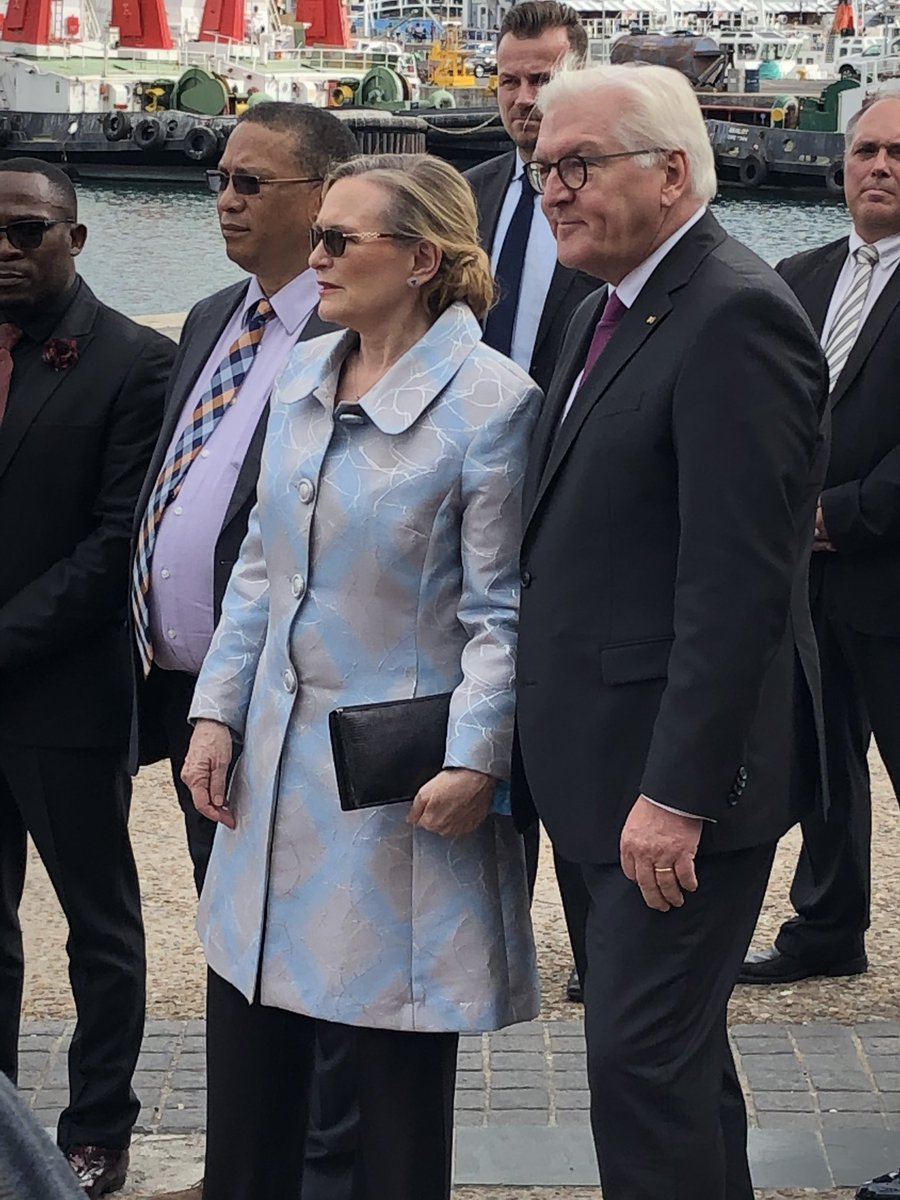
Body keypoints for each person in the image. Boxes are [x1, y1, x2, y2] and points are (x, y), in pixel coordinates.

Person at [179, 152, 540, 1200]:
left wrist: (478, 759)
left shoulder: (494, 404)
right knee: (247, 1058)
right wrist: (216, 714)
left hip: (397, 790)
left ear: (422, 258)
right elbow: (259, 564)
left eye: (340, 240)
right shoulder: (304, 369)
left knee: (390, 1087)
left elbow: (501, 611)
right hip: (271, 775)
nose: (316, 256)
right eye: (318, 235)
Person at [512, 65, 828, 1200]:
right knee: (674, 1070)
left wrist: (678, 794)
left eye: (579, 165)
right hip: (599, 769)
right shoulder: (599, 304)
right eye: (544, 166)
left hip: (671, 790)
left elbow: (737, 586)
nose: (552, 189)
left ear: (673, 173)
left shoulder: (734, 314)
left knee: (640, 1068)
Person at [129, 103, 358, 1200]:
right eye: (221, 178)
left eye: (252, 183)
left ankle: (319, 1161)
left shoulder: (357, 329)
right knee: (232, 944)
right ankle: (253, 1163)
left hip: (292, 699)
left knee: (306, 950)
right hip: (191, 697)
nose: (225, 198)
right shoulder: (219, 313)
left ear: (321, 201)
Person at [0, 158, 174, 1197]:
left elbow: (116, 549)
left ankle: (97, 1127)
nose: (6, 252)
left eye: (28, 231)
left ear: (75, 236)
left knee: (98, 929)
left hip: (65, 696)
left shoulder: (133, 363)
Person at [741, 94, 900, 996]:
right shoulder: (797, 275)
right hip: (801, 577)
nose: (879, 166)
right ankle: (829, 926)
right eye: (866, 149)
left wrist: (839, 515)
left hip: (886, 562)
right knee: (821, 755)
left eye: (898, 153)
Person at [465, 0, 595, 1002]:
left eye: (540, 78)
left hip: (576, 498)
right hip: (468, 496)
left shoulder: (606, 213)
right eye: (508, 78)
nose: (520, 97)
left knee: (576, 735)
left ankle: (600, 951)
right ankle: (486, 942)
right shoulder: (463, 198)